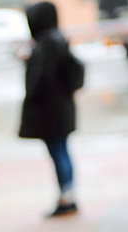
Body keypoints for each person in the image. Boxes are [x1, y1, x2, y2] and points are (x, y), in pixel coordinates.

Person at [19, 1, 79, 217]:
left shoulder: (46, 43)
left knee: (59, 151)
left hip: (51, 111)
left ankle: (67, 197)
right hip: (60, 108)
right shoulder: (57, 38)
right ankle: (67, 195)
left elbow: (41, 78)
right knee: (61, 150)